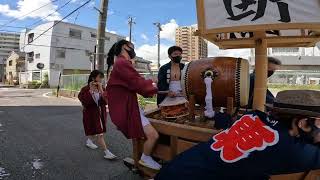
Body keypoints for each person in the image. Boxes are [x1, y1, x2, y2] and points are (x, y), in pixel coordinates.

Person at [155, 90, 320, 180]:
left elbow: (228, 122)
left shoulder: (253, 116)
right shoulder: (292, 150)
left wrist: (215, 115)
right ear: (303, 123)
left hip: (172, 170)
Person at [106, 40, 161, 170]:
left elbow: (135, 82)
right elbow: (138, 84)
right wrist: (154, 86)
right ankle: (145, 158)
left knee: (143, 134)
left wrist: (150, 83)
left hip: (126, 107)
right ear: (125, 46)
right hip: (127, 109)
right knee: (153, 135)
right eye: (132, 47)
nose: (133, 50)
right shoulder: (122, 63)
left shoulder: (119, 63)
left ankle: (143, 158)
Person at [78, 70, 116, 160]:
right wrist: (91, 91)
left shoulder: (102, 88)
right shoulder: (85, 89)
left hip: (101, 114)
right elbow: (84, 100)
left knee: (96, 132)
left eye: (102, 78)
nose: (101, 80)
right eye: (99, 78)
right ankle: (107, 152)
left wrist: (101, 90)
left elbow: (106, 100)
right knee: (99, 133)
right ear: (93, 78)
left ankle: (89, 141)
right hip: (91, 115)